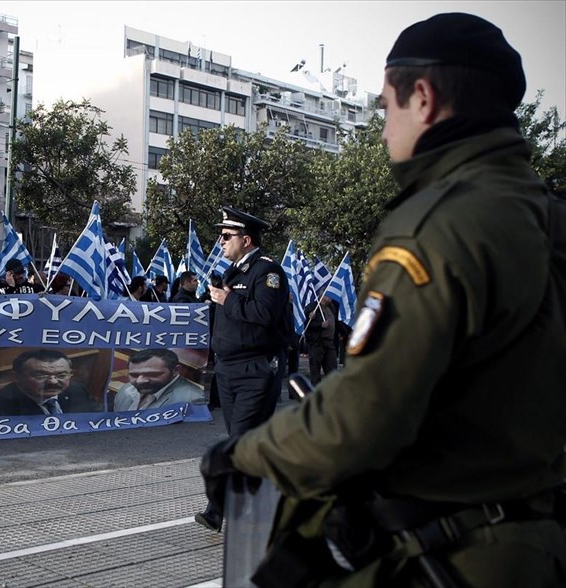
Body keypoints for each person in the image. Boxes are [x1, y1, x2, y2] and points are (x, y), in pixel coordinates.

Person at [199, 13, 566, 587]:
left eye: (385, 108)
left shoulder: (441, 224)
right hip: (534, 536)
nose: (382, 127)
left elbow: (361, 416)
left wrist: (244, 453)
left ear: (421, 97)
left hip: (449, 552)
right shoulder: (545, 214)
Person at [194, 206, 289, 532]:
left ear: (246, 240)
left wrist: (227, 300)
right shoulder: (232, 273)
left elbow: (264, 314)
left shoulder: (268, 272)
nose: (220, 242)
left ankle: (218, 510)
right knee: (244, 442)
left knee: (238, 442)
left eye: (226, 236)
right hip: (229, 370)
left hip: (256, 370)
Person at [0, 349, 100, 416]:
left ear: (71, 374)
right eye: (41, 375)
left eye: (61, 375)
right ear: (16, 377)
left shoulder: (77, 390)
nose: (53, 382)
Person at [112, 348, 205, 411]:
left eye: (151, 374)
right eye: (134, 375)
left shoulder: (192, 399)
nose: (140, 381)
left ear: (175, 370)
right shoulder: (125, 390)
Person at [304, 294, 339, 384]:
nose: (330, 298)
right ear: (322, 296)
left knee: (332, 369)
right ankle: (316, 393)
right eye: (328, 296)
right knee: (315, 370)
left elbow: (336, 321)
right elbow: (306, 325)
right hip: (317, 343)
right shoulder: (312, 307)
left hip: (330, 343)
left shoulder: (332, 307)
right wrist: (320, 325)